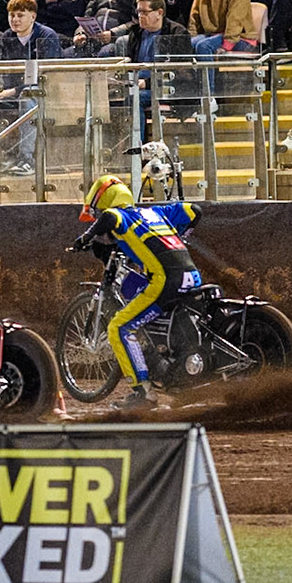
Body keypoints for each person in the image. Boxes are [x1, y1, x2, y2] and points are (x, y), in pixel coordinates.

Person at [74, 173, 202, 411]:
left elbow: (110, 218)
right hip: (191, 276)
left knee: (120, 326)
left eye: (99, 212)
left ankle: (143, 394)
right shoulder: (155, 213)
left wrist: (85, 237)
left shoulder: (121, 216)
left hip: (166, 280)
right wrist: (178, 237)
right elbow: (194, 210)